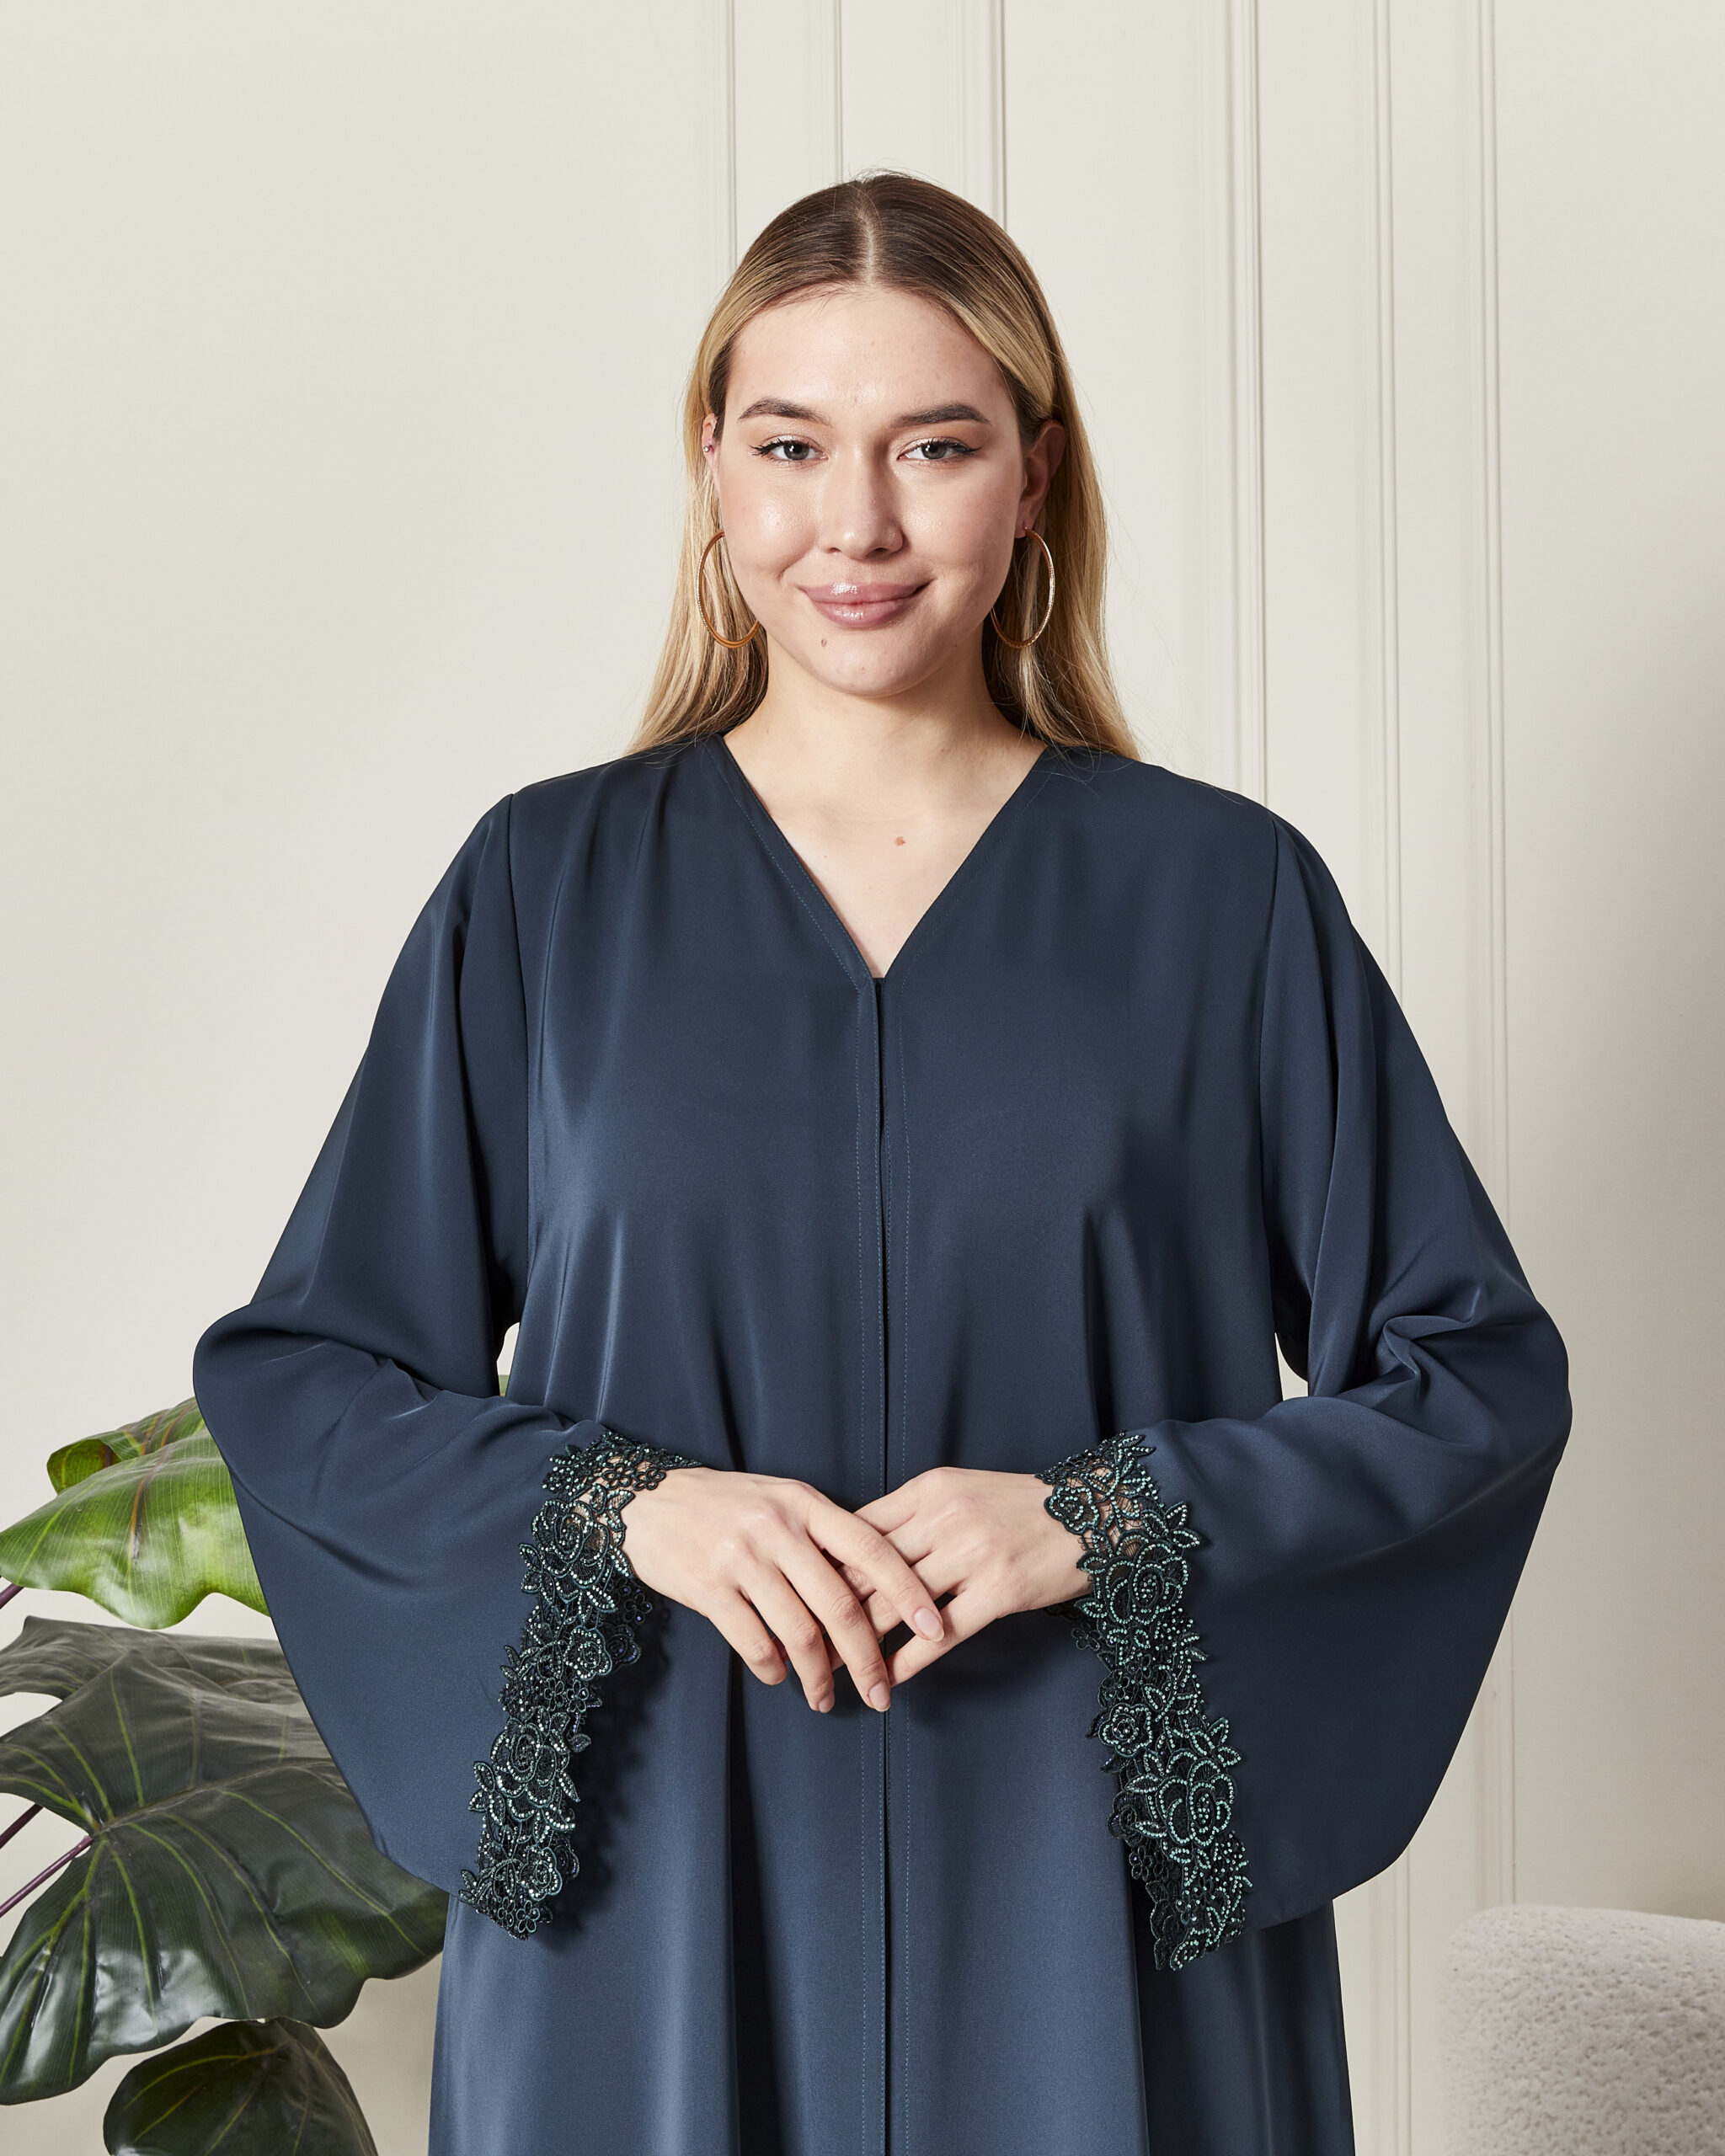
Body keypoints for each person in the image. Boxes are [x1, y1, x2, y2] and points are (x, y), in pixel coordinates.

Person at [192, 171, 1572, 2156]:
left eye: (932, 445)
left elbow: (1471, 1378)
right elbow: (312, 1378)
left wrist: (1105, 1514)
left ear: (1033, 478)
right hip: (652, 1895)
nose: (854, 523)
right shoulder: (543, 891)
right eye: (790, 445)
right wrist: (631, 1509)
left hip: (1086, 1891)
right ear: (709, 465)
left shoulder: (1222, 899)